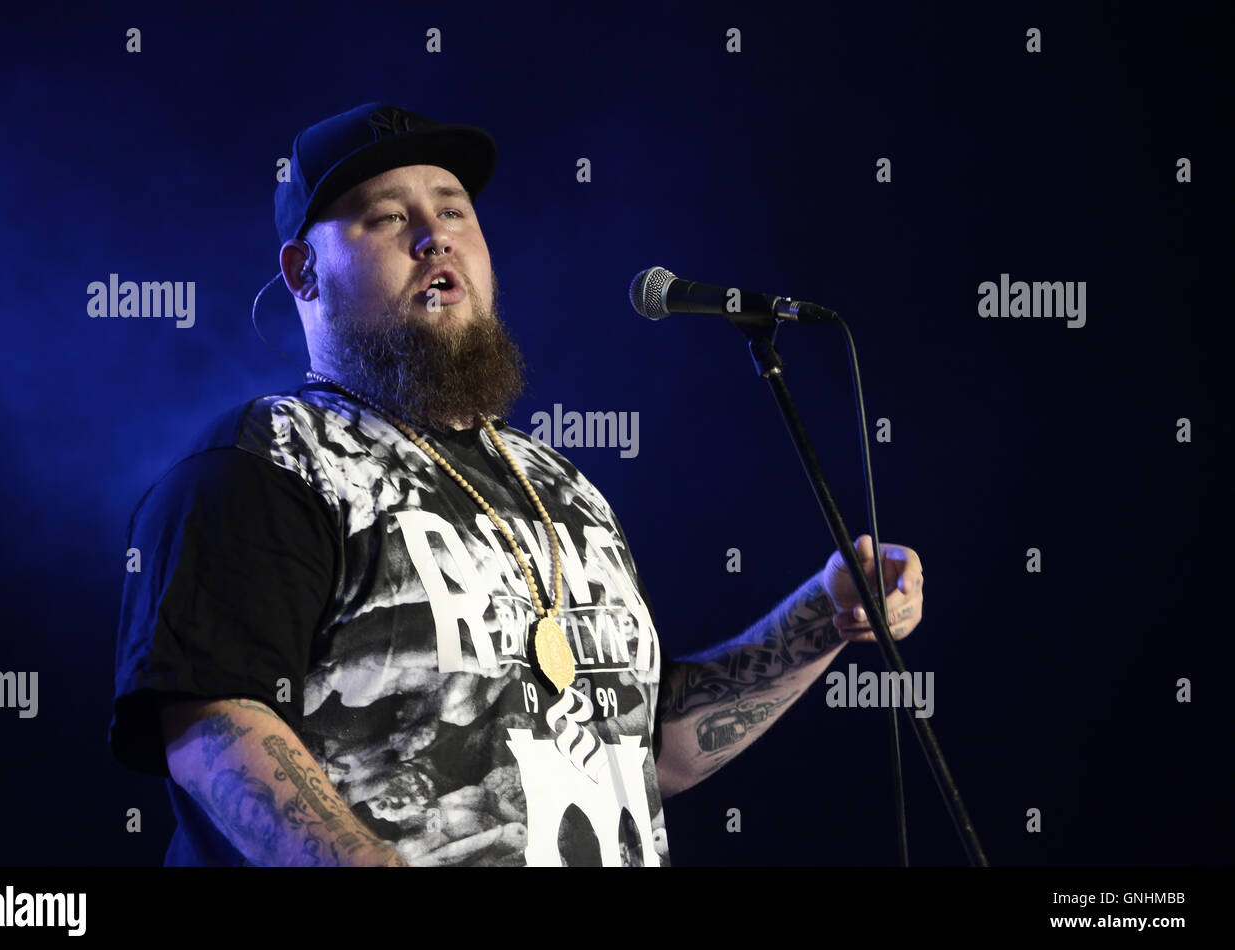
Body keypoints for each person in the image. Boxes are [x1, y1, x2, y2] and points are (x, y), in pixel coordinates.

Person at [108, 101, 925, 867]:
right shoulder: (267, 459)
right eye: (389, 216)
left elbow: (651, 745)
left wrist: (824, 617)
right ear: (304, 272)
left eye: (454, 209)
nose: (436, 236)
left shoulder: (561, 485)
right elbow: (212, 723)